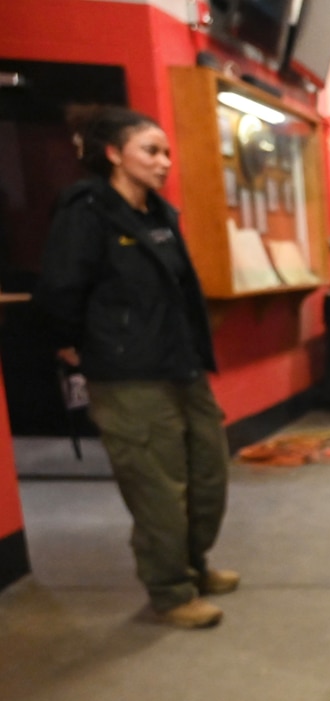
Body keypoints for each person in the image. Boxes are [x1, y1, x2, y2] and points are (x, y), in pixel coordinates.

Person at [35, 107, 238, 629]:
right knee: (157, 489)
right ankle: (170, 591)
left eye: (166, 151)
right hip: (128, 377)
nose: (164, 161)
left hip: (181, 366)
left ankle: (195, 565)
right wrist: (72, 346)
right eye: (151, 151)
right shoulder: (87, 212)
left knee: (207, 473)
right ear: (113, 155)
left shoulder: (158, 215)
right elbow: (60, 289)